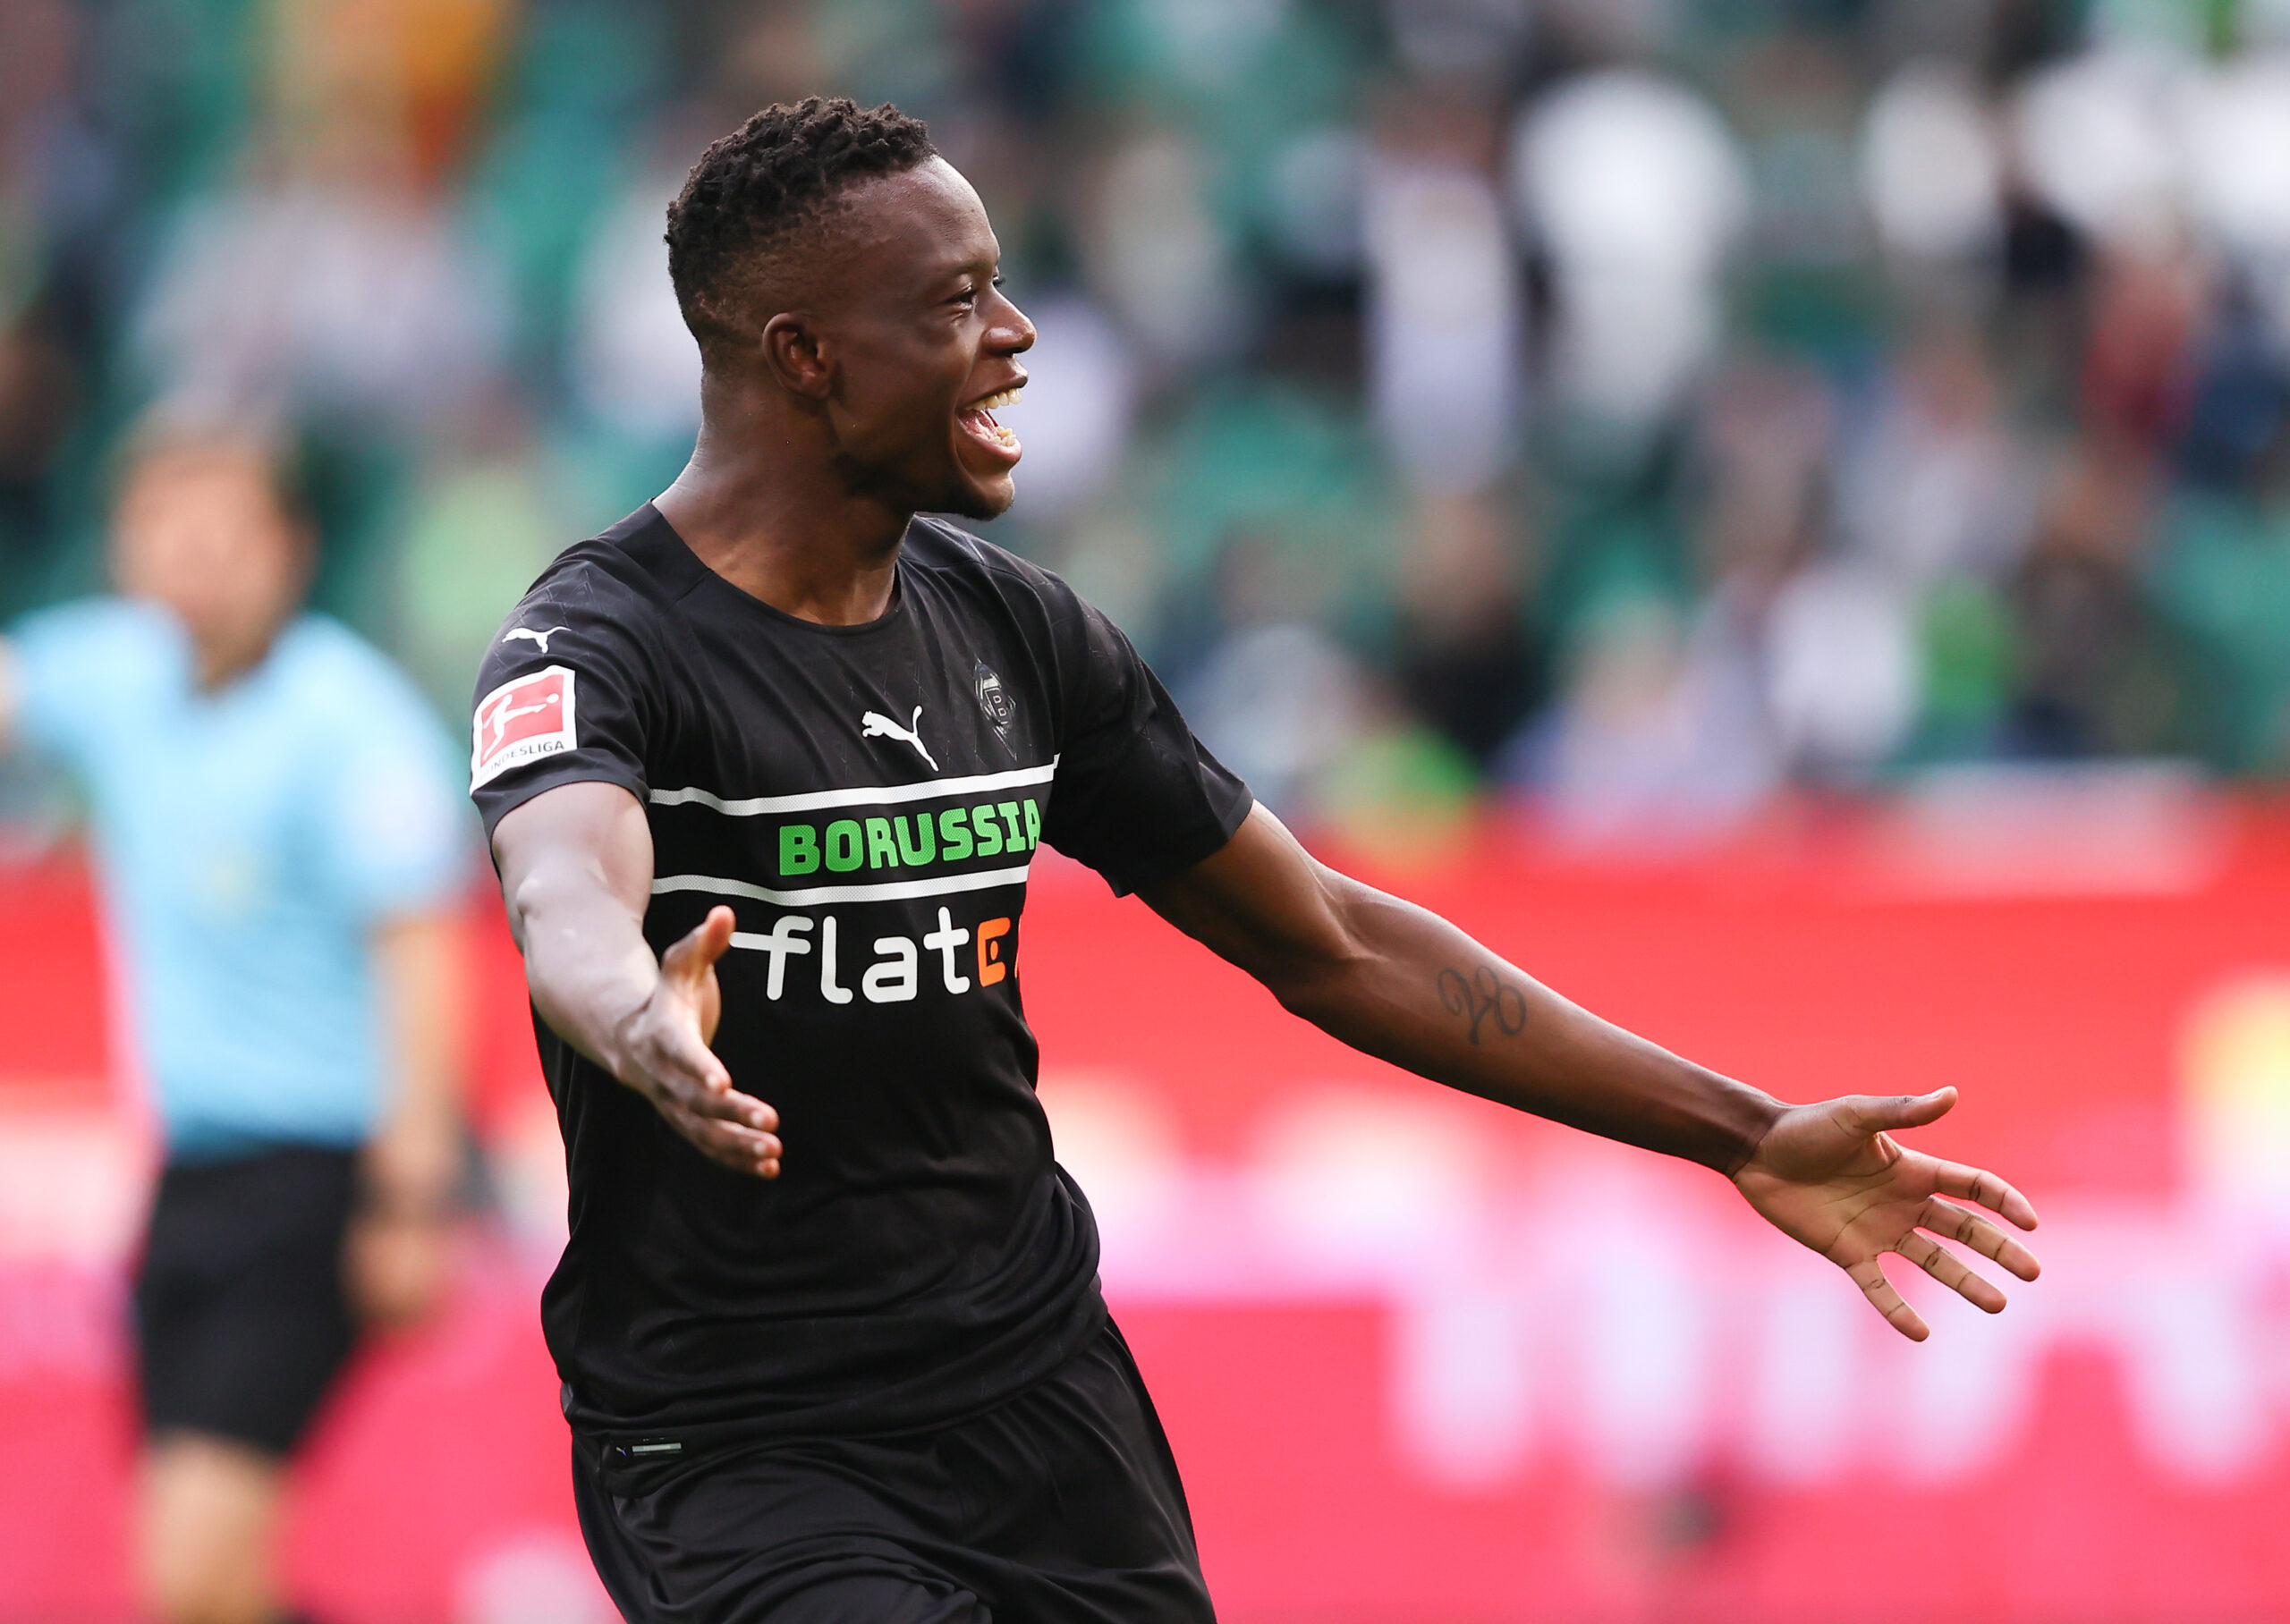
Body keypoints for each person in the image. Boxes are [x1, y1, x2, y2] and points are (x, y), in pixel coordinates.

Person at [474, 99, 2042, 1624]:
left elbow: (1332, 942)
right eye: (956, 303)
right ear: (805, 354)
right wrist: (635, 1017)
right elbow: (565, 891)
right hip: (747, 1442)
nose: (1016, 335)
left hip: (1037, 1398)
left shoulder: (1017, 629)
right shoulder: (597, 645)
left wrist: (1744, 1133)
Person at [0, 432, 470, 1624]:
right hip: (186, 1177)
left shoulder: (349, 722)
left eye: (224, 526)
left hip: (314, 1174)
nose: (195, 553)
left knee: (195, 1570)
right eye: (165, 523)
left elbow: (422, 955)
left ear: (291, 549)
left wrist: (411, 1198)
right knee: (202, 1586)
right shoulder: (117, 676)